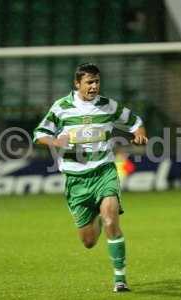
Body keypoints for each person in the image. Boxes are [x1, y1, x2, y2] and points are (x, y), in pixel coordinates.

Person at [33, 63, 148, 293]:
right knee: (88, 242)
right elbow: (39, 134)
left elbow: (135, 121)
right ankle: (95, 216)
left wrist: (139, 132)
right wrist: (55, 142)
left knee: (111, 220)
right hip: (76, 180)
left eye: (97, 82)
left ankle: (120, 279)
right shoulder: (61, 107)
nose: (94, 86)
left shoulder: (108, 106)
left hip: (103, 171)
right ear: (77, 84)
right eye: (89, 82)